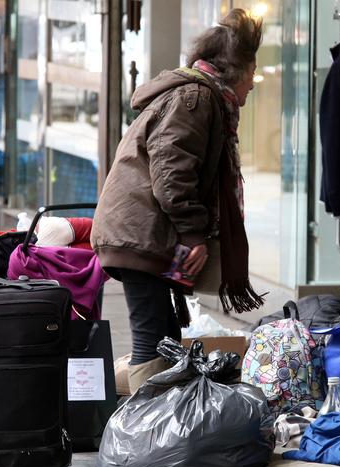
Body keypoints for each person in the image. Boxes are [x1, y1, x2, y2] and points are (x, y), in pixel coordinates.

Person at [91, 9, 265, 393]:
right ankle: (144, 433)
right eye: (253, 70)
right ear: (235, 69)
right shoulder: (195, 98)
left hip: (143, 232)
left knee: (164, 336)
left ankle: (159, 427)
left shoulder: (199, 96)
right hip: (141, 234)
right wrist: (193, 234)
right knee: (151, 338)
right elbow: (172, 172)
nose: (254, 82)